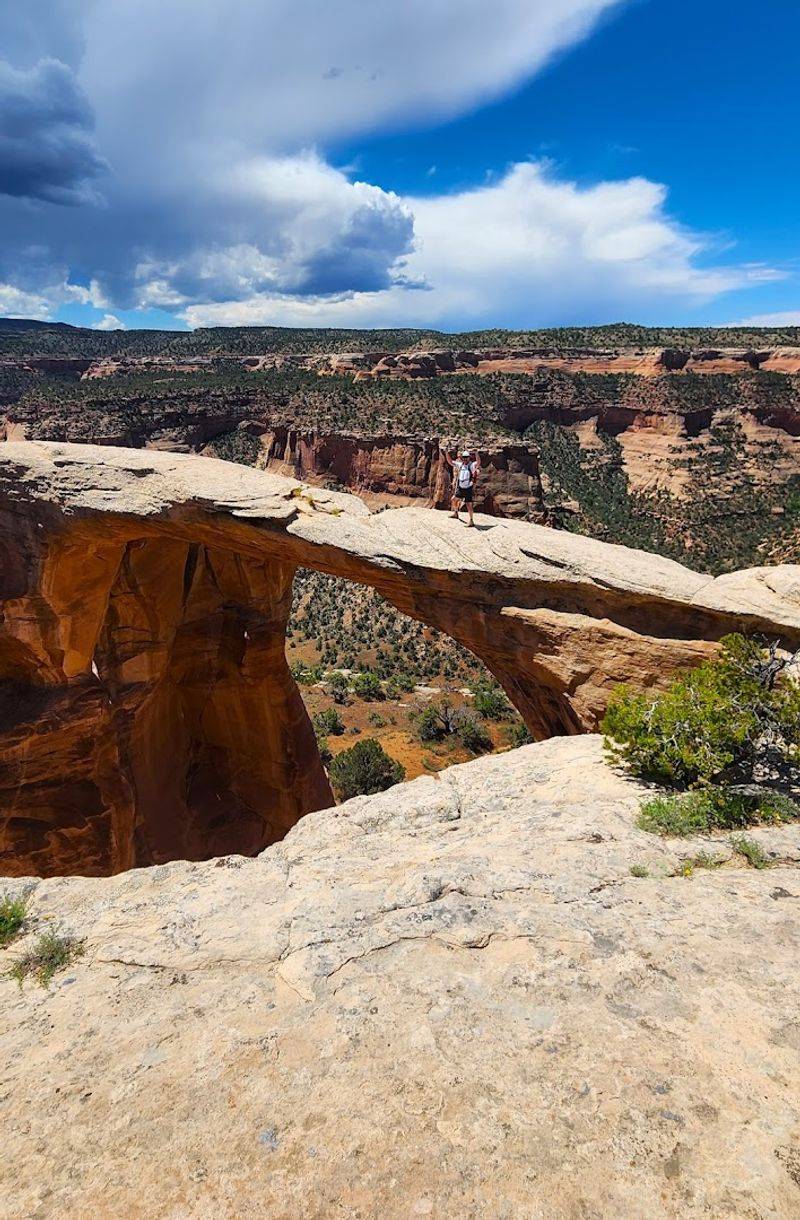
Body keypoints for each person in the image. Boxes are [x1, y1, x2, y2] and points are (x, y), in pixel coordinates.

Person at [442, 445, 480, 526]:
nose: (465, 459)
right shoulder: (460, 465)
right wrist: (446, 452)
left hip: (468, 488)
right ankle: (456, 513)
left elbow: (478, 462)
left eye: (466, 457)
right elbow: (450, 462)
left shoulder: (472, 465)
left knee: (468, 505)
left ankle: (471, 521)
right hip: (461, 487)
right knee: (453, 499)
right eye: (464, 457)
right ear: (462, 458)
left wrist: (476, 453)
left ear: (469, 457)